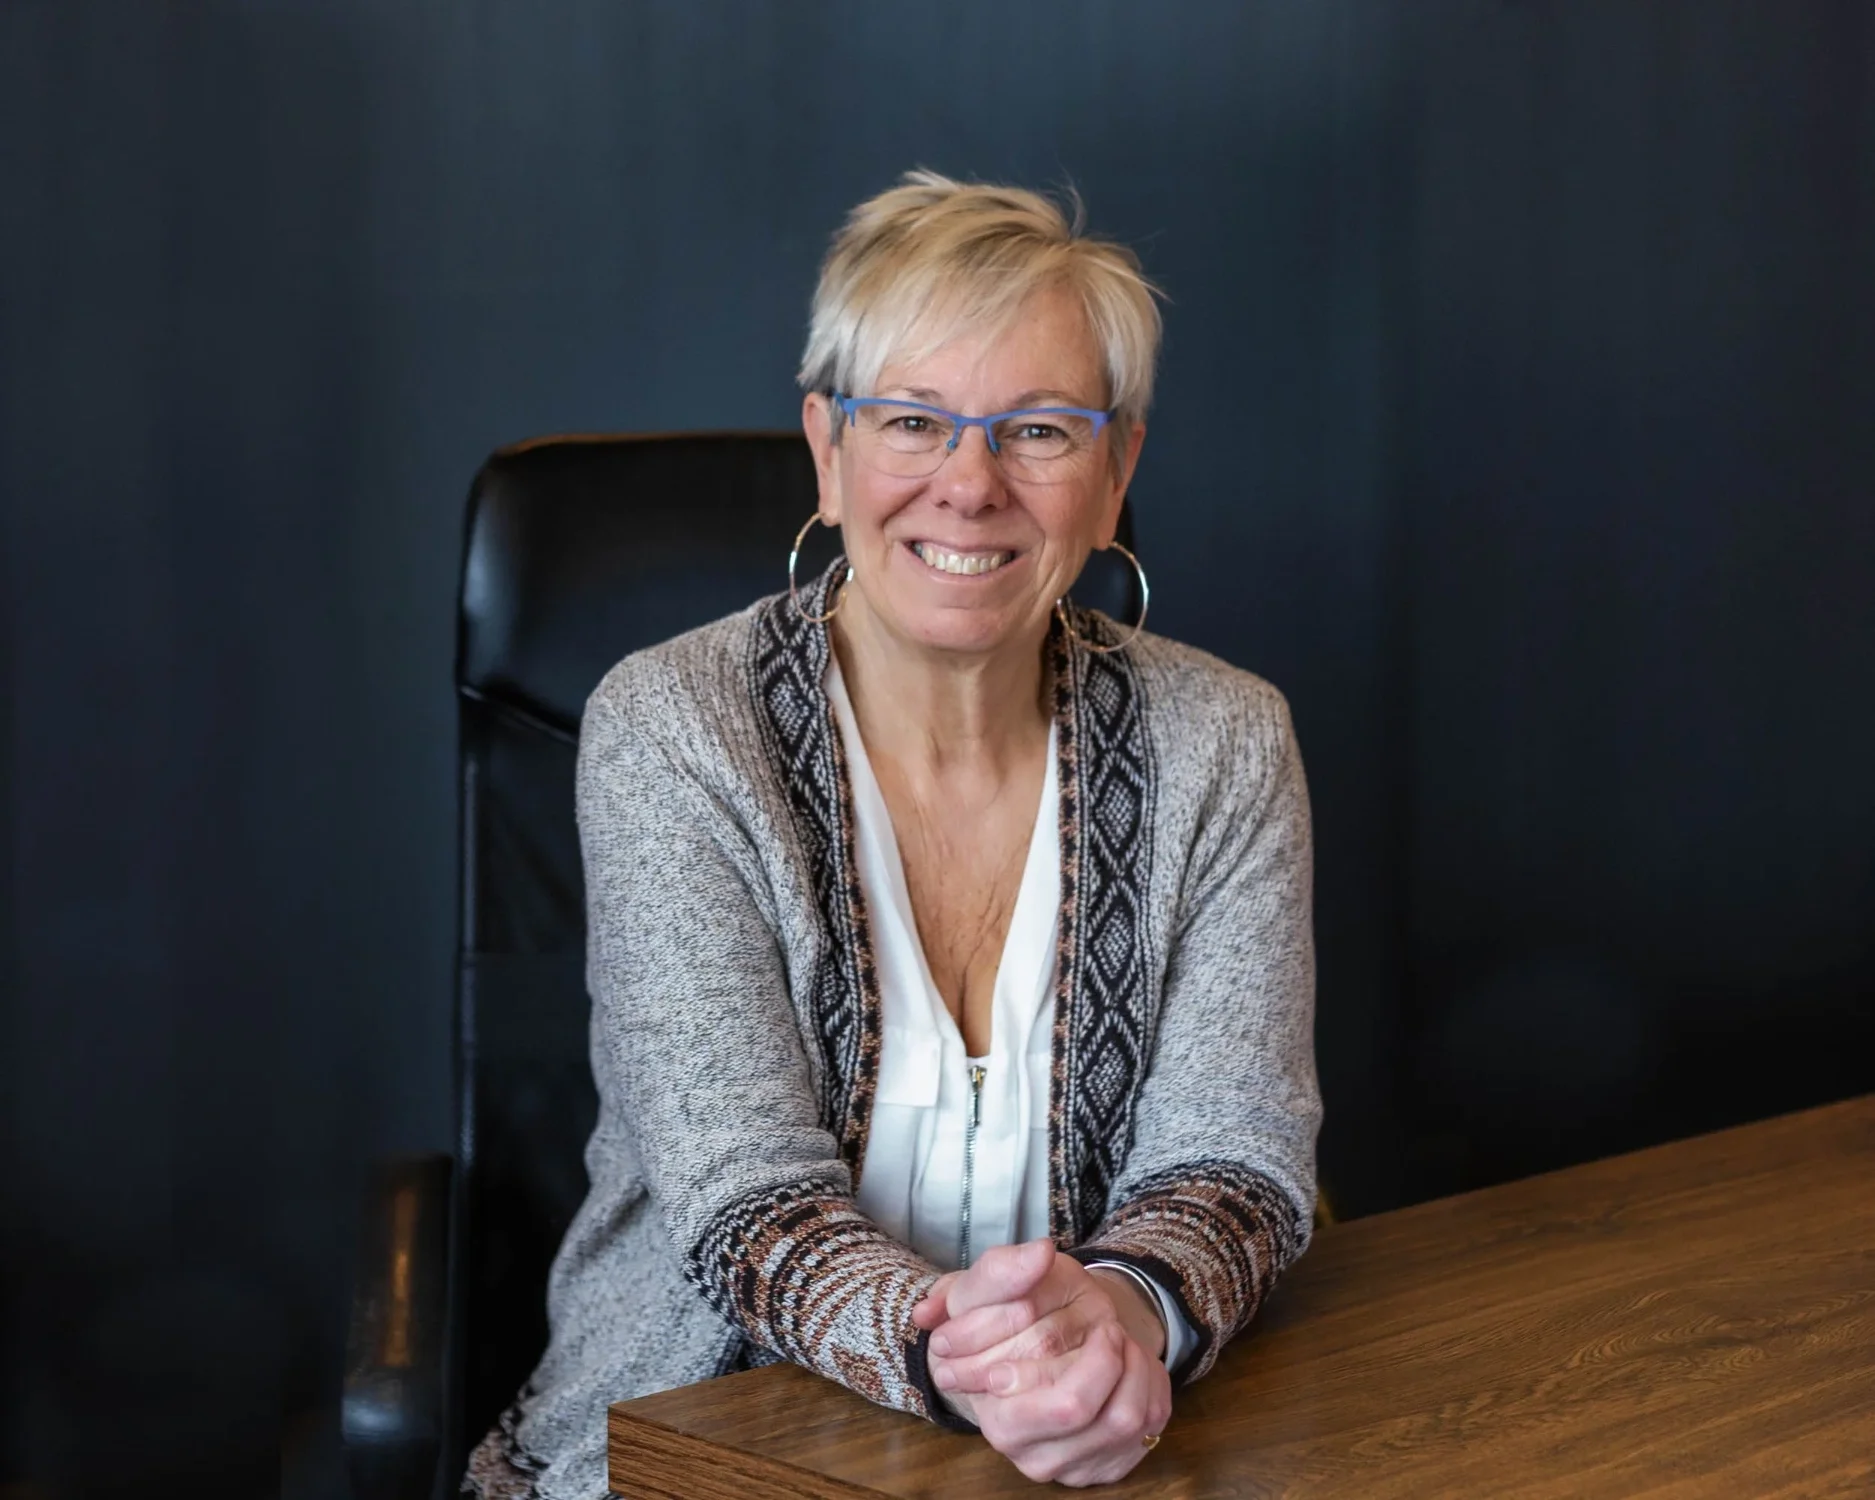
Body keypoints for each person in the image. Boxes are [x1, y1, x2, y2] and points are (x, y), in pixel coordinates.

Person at [465, 170, 1320, 1497]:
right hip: (701, 1443)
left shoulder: (1227, 741)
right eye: (913, 420)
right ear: (827, 446)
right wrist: (973, 1365)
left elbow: (1237, 1151)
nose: (968, 486)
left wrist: (1128, 1315)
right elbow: (741, 1198)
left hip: (1103, 1445)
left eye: (1038, 431)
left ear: (1116, 469)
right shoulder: (674, 729)